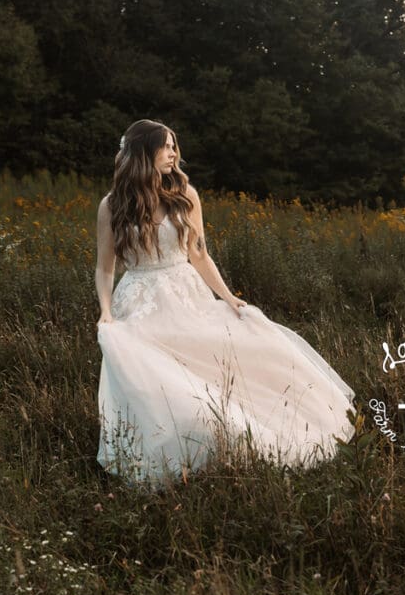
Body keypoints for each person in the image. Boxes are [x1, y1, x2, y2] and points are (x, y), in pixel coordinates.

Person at [94, 119, 356, 489]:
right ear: (142, 151)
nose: (173, 153)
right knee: (151, 380)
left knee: (216, 365)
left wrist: (229, 297)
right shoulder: (112, 205)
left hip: (185, 294)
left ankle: (224, 439)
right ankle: (165, 452)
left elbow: (199, 255)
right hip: (139, 302)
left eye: (174, 146)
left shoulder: (185, 195)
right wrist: (106, 311)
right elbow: (104, 269)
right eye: (165, 146)